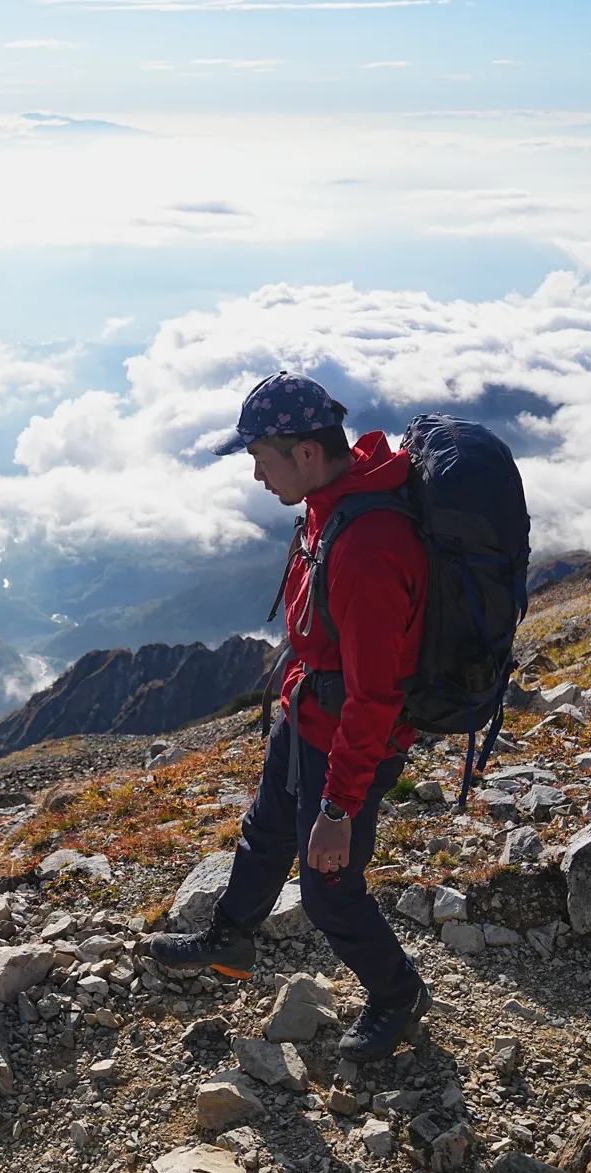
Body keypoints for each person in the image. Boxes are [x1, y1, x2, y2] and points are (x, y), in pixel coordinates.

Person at [147, 372, 433, 1063]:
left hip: (347, 744)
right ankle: (231, 936)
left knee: (329, 888)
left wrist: (338, 807)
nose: (254, 475)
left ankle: (399, 993)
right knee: (264, 832)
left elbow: (375, 695)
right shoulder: (330, 499)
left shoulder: (367, 547)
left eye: (260, 458)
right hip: (305, 719)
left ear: (306, 452)